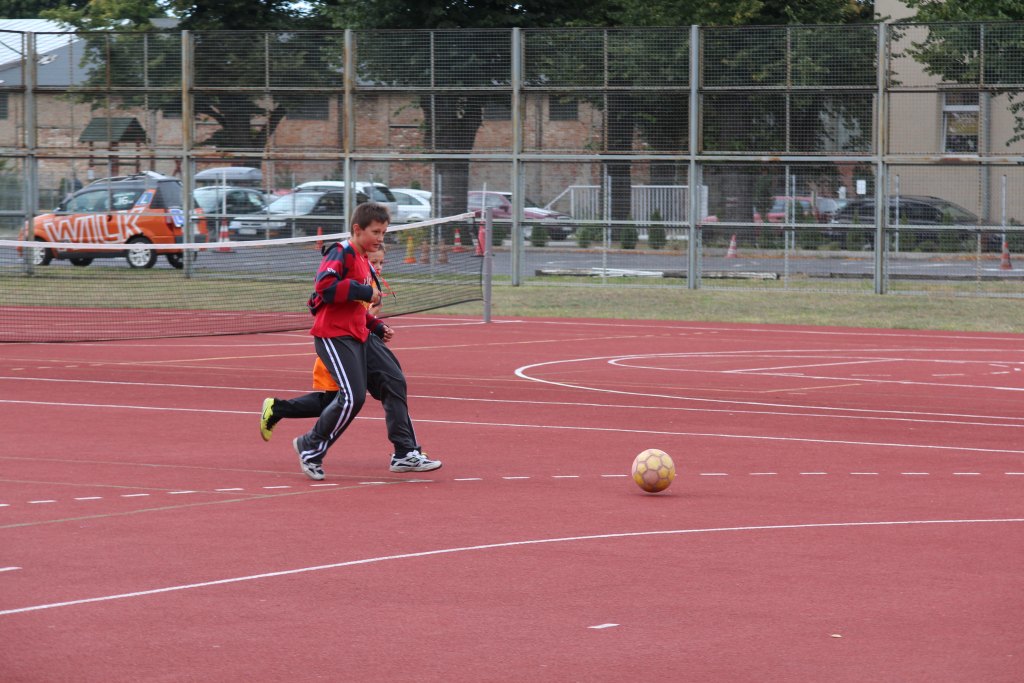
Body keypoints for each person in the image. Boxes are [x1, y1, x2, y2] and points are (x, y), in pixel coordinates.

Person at [260, 231, 442, 476]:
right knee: (338, 400)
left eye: (381, 262)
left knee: (389, 383)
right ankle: (290, 423)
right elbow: (323, 294)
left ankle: (405, 451)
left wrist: (376, 326)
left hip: (361, 338)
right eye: (374, 260)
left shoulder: (368, 275)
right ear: (360, 232)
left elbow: (357, 312)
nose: (378, 266)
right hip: (338, 343)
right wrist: (363, 295)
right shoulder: (345, 259)